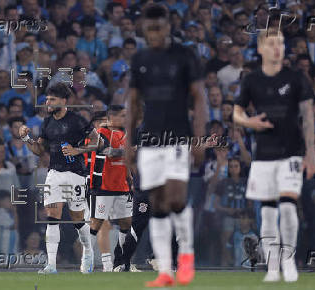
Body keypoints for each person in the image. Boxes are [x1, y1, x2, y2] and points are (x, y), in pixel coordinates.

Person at [124, 4, 208, 287]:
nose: (155, 33)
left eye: (159, 28)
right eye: (149, 30)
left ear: (168, 26)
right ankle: (165, 272)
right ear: (144, 30)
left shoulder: (185, 55)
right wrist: (128, 144)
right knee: (157, 202)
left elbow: (199, 98)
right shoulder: (140, 59)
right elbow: (133, 103)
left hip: (178, 137)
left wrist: (198, 139)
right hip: (149, 140)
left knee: (175, 197)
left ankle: (186, 255)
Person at [233, 28, 315, 282]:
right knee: (268, 212)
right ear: (260, 48)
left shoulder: (296, 78)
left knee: (289, 206)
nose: (277, 47)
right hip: (263, 155)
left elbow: (308, 116)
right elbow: (236, 113)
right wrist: (250, 123)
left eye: (280, 43)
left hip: (292, 153)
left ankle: (288, 260)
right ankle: (272, 266)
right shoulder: (252, 80)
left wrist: (311, 153)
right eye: (271, 43)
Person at [18, 82, 104, 274]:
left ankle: (88, 251)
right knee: (52, 217)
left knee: (77, 219)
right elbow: (40, 151)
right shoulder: (47, 122)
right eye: (47, 98)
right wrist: (25, 138)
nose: (48, 102)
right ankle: (51, 265)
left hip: (76, 174)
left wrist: (77, 150)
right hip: (54, 173)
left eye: (52, 99)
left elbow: (98, 142)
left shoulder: (78, 120)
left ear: (64, 101)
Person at [88, 105, 132, 272]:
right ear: (112, 118)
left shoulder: (123, 134)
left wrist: (130, 176)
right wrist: (127, 151)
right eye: (122, 116)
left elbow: (125, 159)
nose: (125, 119)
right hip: (103, 185)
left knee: (126, 222)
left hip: (122, 185)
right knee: (97, 223)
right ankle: (87, 260)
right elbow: (107, 151)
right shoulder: (100, 133)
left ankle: (122, 261)